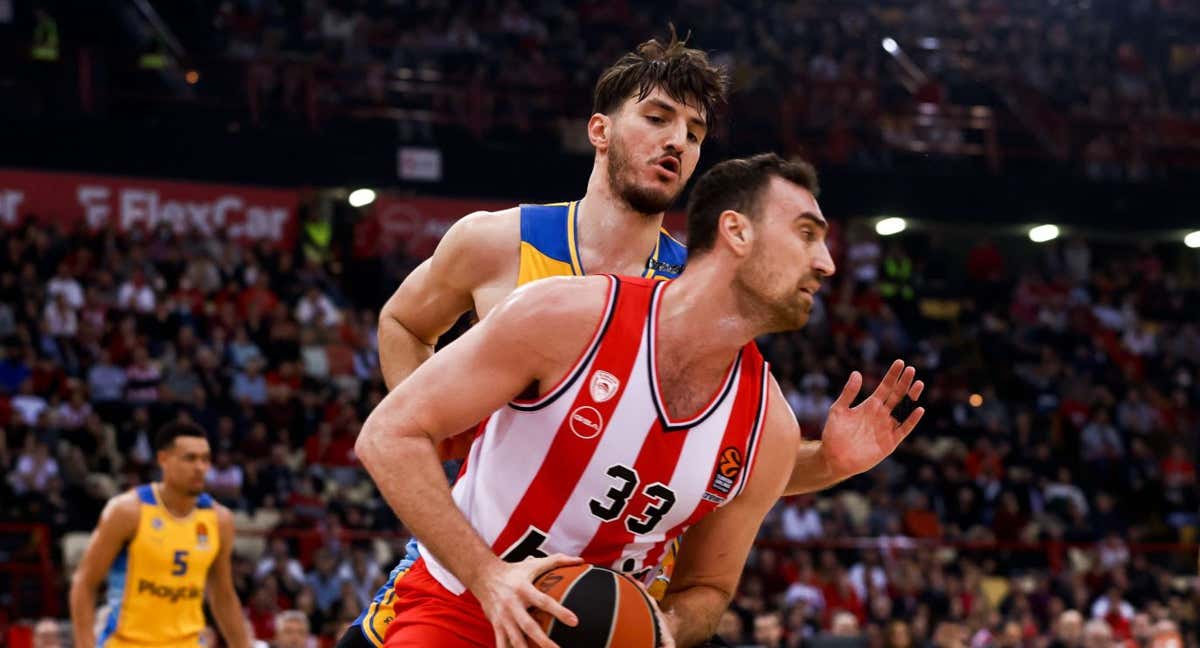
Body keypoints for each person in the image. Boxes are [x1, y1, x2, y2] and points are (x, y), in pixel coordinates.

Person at [349, 29, 924, 648]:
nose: (676, 140)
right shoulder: (497, 242)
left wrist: (826, 463)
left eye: (695, 134)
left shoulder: (704, 293)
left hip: (609, 588)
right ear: (600, 131)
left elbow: (714, 460)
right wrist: (436, 427)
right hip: (486, 552)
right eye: (656, 118)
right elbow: (404, 325)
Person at [68, 422, 250, 648]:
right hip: (127, 642)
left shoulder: (220, 520)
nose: (200, 467)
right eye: (190, 458)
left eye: (205, 459)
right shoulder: (127, 511)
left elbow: (223, 595)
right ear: (163, 459)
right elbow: (84, 582)